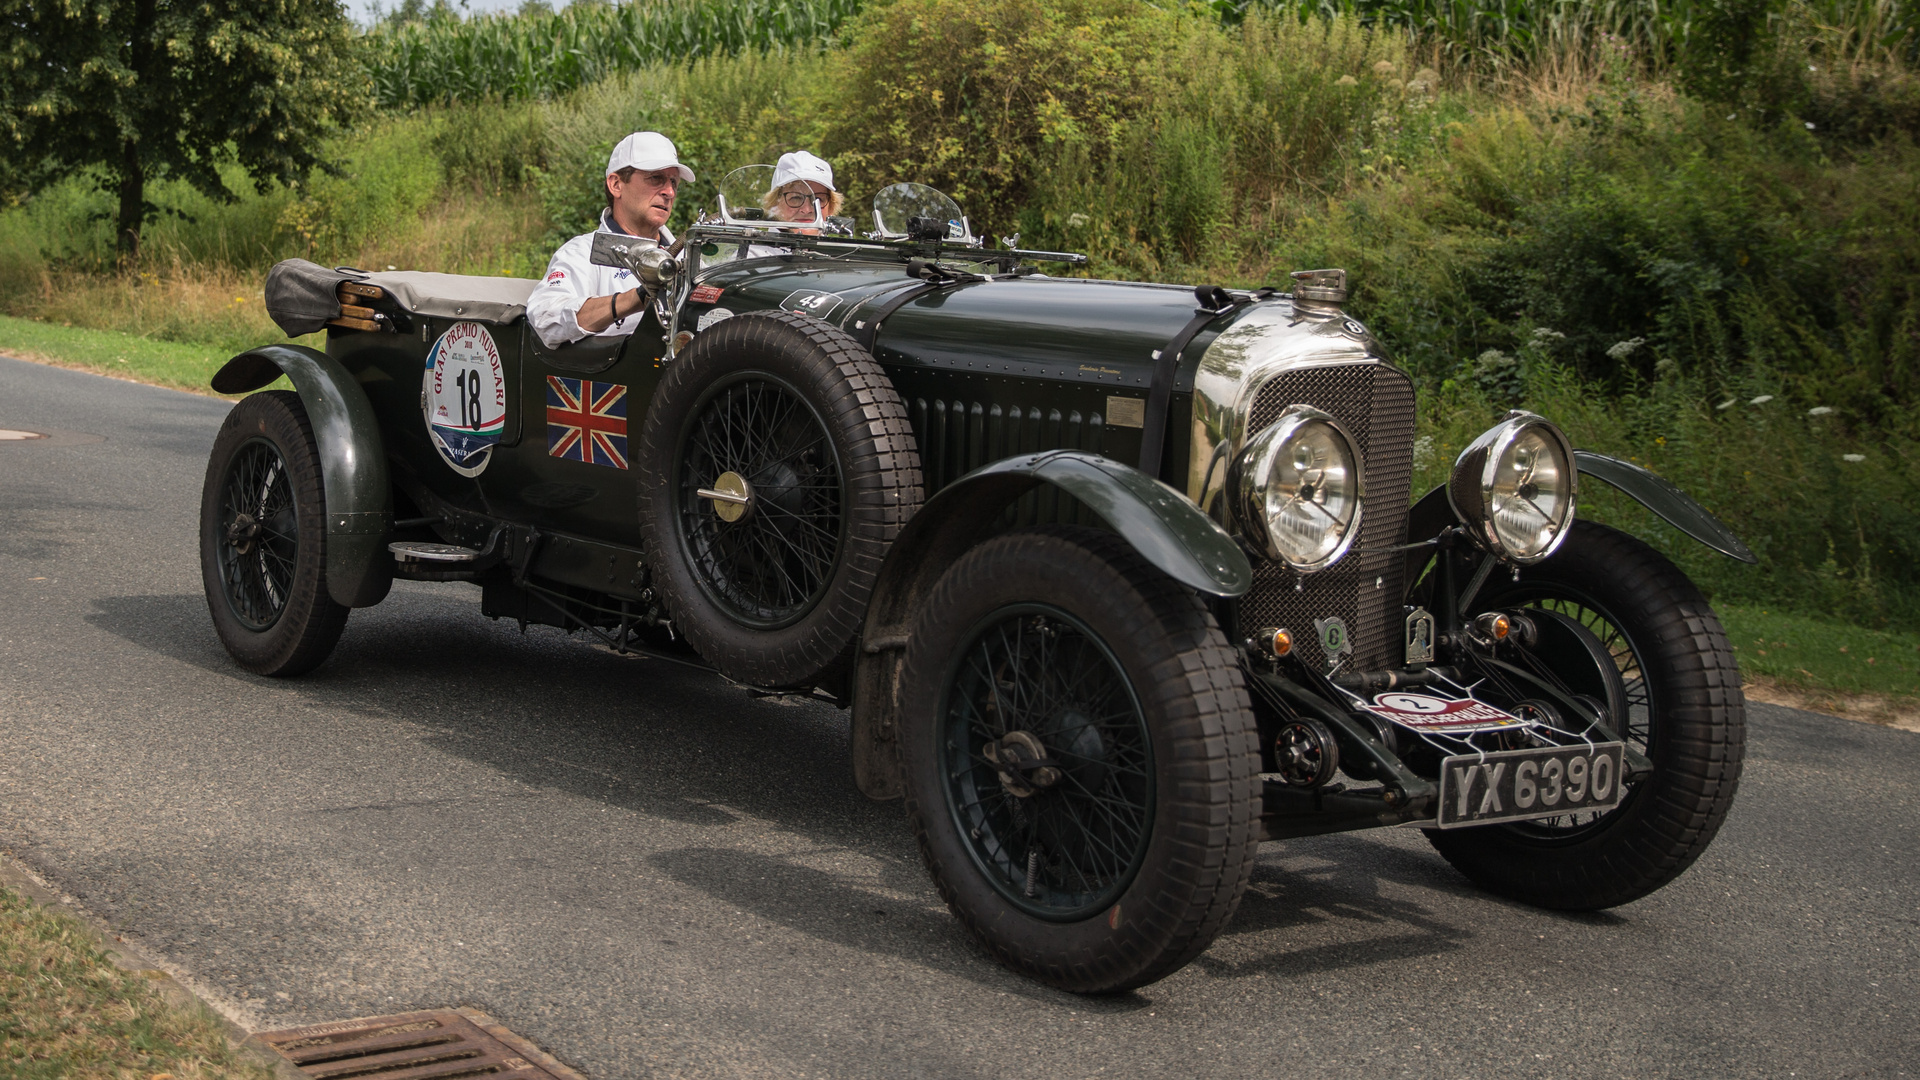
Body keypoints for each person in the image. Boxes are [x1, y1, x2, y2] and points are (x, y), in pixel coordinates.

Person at [526, 131, 694, 349]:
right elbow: (545, 319)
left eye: (674, 182)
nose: (670, 191)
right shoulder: (580, 253)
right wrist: (634, 299)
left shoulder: (688, 257)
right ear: (616, 185)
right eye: (656, 179)